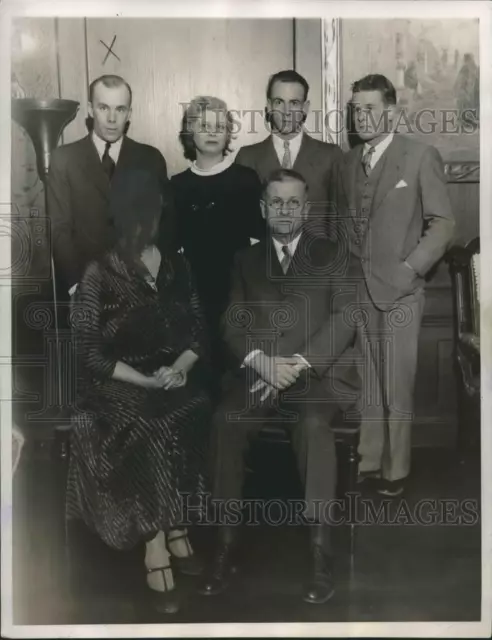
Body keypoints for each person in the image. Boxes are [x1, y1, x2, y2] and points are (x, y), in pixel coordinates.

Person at [198, 169, 360, 604]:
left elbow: (345, 318)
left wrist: (298, 365)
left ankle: (320, 553)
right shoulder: (244, 260)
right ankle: (225, 546)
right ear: (263, 208)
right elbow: (232, 322)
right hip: (260, 373)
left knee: (311, 427)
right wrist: (262, 363)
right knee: (224, 421)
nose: (285, 210)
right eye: (276, 202)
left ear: (305, 209)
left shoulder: (333, 253)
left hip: (315, 379)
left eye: (293, 202)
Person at [65, 169, 212, 615]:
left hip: (172, 375)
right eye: (134, 214)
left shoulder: (176, 264)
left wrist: (181, 368)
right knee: (150, 421)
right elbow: (90, 353)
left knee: (192, 408)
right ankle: (156, 543)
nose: (142, 223)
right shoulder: (99, 272)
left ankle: (177, 524)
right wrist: (147, 379)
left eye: (150, 213)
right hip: (117, 381)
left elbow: (199, 332)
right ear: (119, 216)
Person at [336, 74, 455, 497]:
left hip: (402, 291)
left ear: (391, 111)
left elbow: (443, 224)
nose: (362, 117)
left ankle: (396, 471)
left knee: (397, 384)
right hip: (358, 288)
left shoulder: (420, 156)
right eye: (356, 109)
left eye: (370, 108)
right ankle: (368, 462)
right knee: (367, 380)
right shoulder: (349, 162)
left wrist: (410, 270)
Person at [47, 74, 174, 300]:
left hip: (141, 290)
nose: (112, 118)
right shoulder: (63, 159)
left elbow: (163, 224)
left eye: (120, 109)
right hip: (86, 290)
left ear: (130, 113)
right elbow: (59, 230)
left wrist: (154, 280)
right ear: (89, 109)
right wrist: (78, 286)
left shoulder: (151, 158)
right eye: (104, 108)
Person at [172, 96, 265, 388]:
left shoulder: (245, 180)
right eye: (203, 125)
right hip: (194, 303)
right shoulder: (176, 186)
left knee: (234, 385)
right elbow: (172, 251)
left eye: (219, 126)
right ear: (190, 132)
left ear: (227, 133)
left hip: (239, 300)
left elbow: (261, 246)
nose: (212, 132)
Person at [235, 69, 343, 238]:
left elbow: (339, 222)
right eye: (279, 102)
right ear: (269, 107)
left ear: (305, 108)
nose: (286, 111)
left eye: (294, 103)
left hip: (317, 260)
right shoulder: (247, 157)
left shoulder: (330, 156)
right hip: (264, 261)